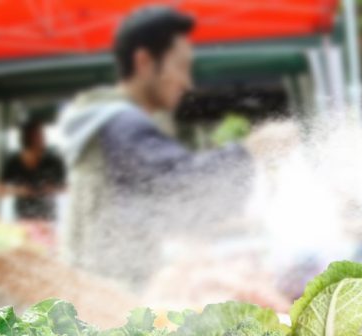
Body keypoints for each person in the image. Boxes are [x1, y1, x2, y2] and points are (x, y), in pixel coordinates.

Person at [57, 6, 253, 288]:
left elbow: (162, 205)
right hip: (111, 297)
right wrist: (252, 151)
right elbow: (183, 183)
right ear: (145, 62)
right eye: (180, 66)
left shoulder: (109, 120)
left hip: (100, 289)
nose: (187, 83)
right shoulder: (121, 124)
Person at [0, 120, 65, 220]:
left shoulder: (53, 159)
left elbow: (65, 187)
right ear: (27, 138)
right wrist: (19, 191)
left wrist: (51, 189)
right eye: (38, 135)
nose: (43, 139)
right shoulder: (14, 161)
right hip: (22, 216)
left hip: (47, 216)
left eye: (42, 135)